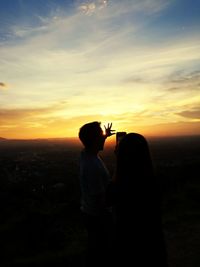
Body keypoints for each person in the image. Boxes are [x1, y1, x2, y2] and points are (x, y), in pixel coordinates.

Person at [112, 133, 168, 266]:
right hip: (152, 248)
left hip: (129, 250)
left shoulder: (121, 185)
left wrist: (118, 161)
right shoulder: (151, 182)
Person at [78, 121, 115, 267]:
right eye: (99, 136)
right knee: (101, 252)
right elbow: (100, 198)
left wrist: (104, 136)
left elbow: (91, 145)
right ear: (94, 140)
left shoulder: (85, 155)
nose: (102, 139)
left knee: (95, 248)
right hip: (98, 216)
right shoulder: (92, 166)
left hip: (89, 213)